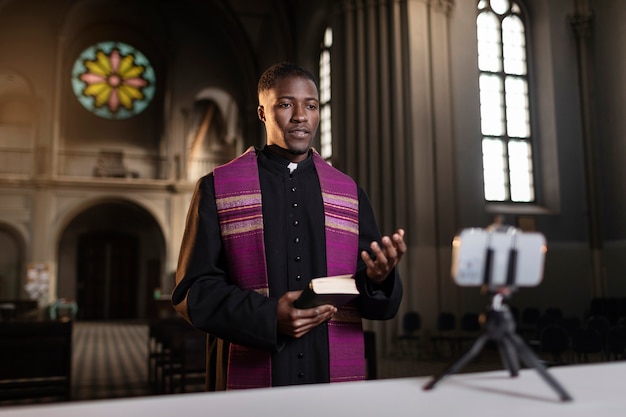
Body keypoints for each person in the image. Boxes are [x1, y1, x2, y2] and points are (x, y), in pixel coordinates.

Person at [172, 62, 406, 390]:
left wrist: (379, 279)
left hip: (327, 371)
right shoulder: (217, 187)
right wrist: (268, 317)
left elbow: (374, 304)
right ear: (262, 113)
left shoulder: (349, 193)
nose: (300, 116)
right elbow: (192, 292)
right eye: (285, 104)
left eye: (310, 105)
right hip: (251, 362)